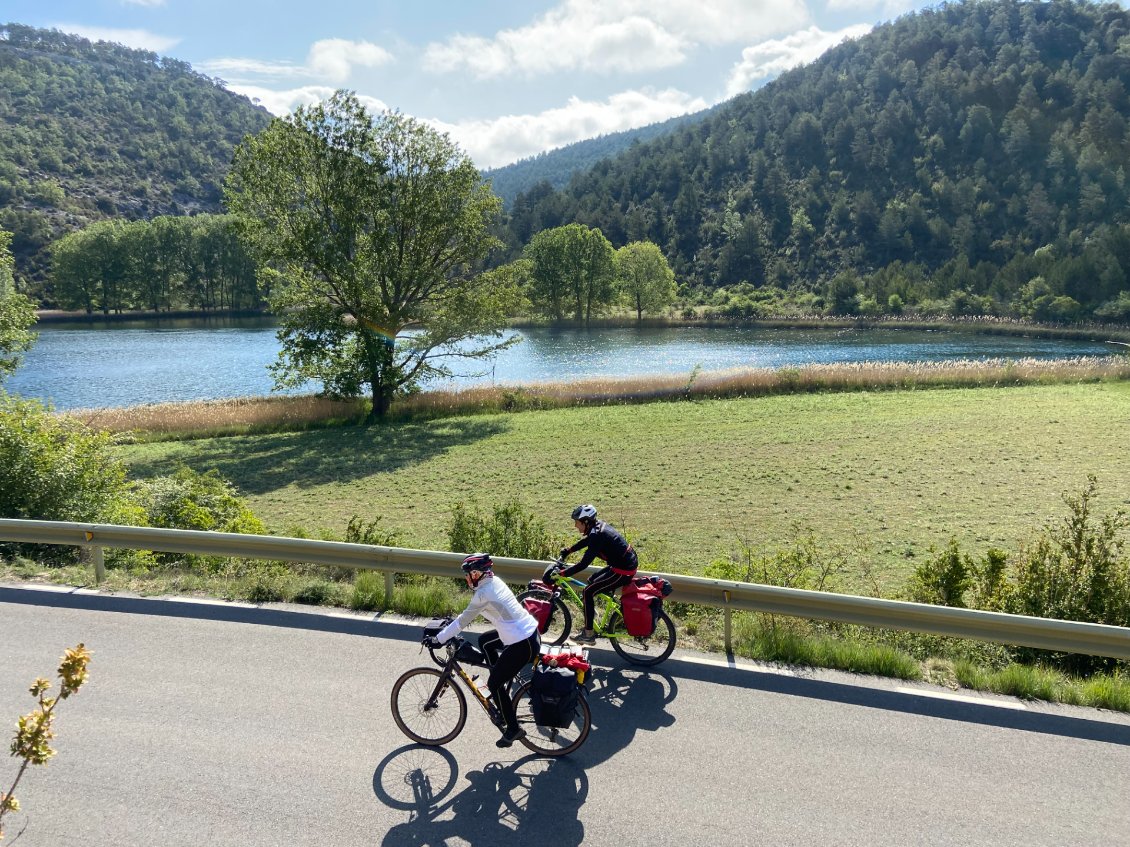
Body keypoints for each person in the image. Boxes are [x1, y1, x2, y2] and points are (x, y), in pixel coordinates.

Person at [427, 552, 541, 747]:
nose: (466, 578)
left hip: (522, 643)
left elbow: (463, 621)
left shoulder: (483, 595)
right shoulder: (495, 581)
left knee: (494, 683)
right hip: (529, 633)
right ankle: (499, 682)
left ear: (477, 573)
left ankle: (513, 729)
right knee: (486, 641)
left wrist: (439, 639)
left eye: (468, 573)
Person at [554, 504, 637, 645]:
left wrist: (563, 573)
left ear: (585, 522)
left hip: (623, 570)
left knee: (587, 592)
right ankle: (591, 617)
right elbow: (587, 542)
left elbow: (583, 564)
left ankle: (589, 634)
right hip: (621, 564)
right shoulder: (597, 528)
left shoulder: (597, 535)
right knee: (591, 580)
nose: (575, 526)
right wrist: (570, 550)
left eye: (577, 522)